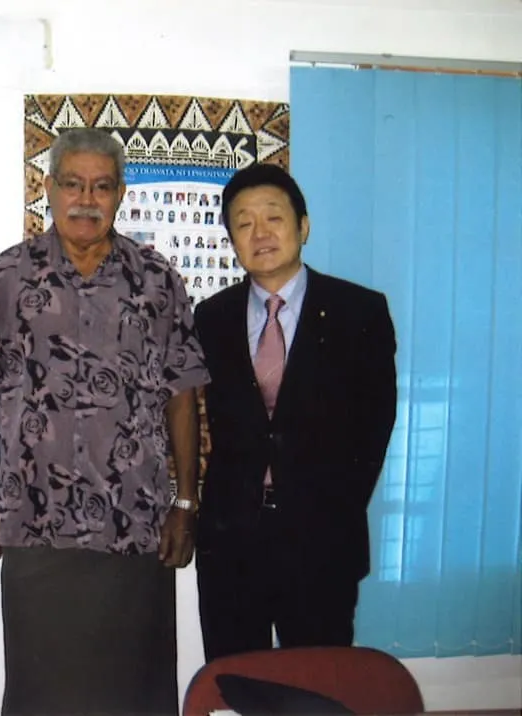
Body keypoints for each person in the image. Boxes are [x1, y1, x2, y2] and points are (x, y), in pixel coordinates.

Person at [0, 127, 209, 716]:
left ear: (121, 194)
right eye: (72, 184)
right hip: (34, 522)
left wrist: (185, 503)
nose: (86, 199)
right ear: (49, 188)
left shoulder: (156, 279)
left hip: (134, 523)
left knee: (133, 694)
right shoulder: (7, 276)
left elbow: (183, 391)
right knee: (43, 694)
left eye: (101, 186)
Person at [194, 163, 397, 662]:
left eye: (274, 217)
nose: (260, 233)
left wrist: (333, 510)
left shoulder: (359, 311)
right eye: (244, 223)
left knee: (318, 684)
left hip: (322, 544)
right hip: (230, 545)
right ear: (232, 240)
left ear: (303, 226)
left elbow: (375, 427)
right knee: (235, 681)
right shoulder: (211, 317)